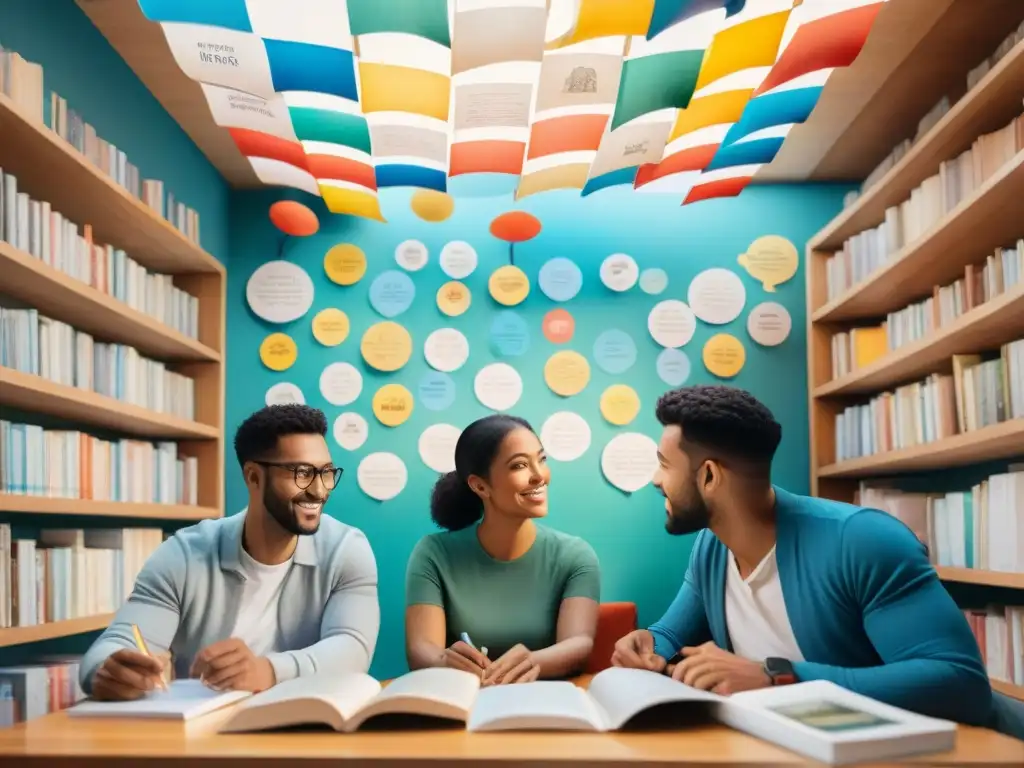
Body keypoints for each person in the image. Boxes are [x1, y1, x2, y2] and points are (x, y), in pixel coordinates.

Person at [611, 385, 993, 727]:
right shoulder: (712, 546)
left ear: (709, 477)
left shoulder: (861, 540)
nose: (655, 480)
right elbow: (669, 634)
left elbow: (960, 682)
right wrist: (649, 646)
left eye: (663, 465)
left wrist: (776, 675)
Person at [80, 404, 380, 700]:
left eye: (326, 473)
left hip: (305, 727)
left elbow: (352, 647)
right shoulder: (183, 555)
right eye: (302, 473)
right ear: (253, 477)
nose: (319, 490)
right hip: (205, 735)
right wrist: (107, 672)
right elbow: (118, 643)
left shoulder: (346, 550)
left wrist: (268, 671)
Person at [405, 414, 600, 685]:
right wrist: (442, 661)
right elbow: (420, 648)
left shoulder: (576, 556)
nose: (539, 476)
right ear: (480, 485)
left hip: (548, 707)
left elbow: (579, 643)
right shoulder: (433, 553)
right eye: (520, 465)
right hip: (463, 704)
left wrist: (534, 662)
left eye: (541, 460)